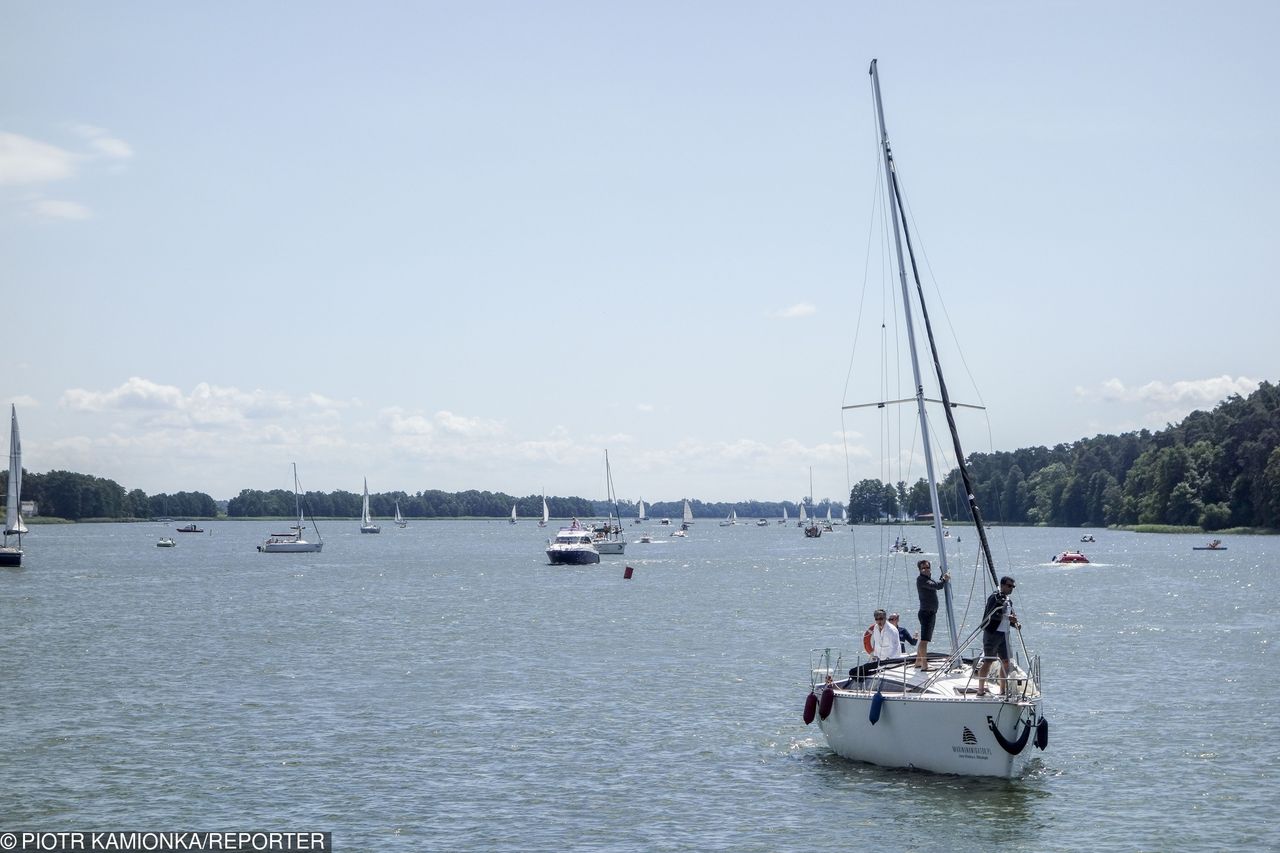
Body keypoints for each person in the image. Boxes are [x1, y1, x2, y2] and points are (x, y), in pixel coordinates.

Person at [975, 576, 1020, 697]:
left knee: (1006, 662)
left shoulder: (1008, 600)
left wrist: (1015, 624)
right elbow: (991, 615)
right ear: (1003, 585)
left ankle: (1002, 690)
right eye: (1009, 586)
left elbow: (1010, 616)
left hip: (1004, 635)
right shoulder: (994, 597)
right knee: (988, 661)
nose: (1011, 589)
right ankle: (980, 689)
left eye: (1013, 587)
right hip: (992, 634)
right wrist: (1007, 617)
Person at [914, 559, 950, 670]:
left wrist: (942, 578)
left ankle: (918, 662)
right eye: (923, 568)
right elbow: (937, 586)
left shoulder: (927, 579)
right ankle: (924, 665)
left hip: (929, 613)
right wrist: (944, 579)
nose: (925, 569)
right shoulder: (921, 580)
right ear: (920, 570)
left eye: (927, 567)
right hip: (926, 614)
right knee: (925, 640)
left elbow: (936, 584)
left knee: (923, 640)